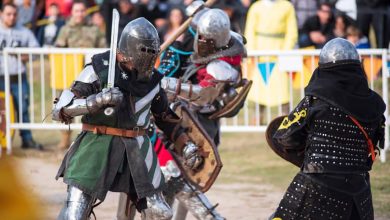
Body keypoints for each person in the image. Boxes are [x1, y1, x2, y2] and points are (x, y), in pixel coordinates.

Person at [53, 17, 204, 220]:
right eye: (145, 52)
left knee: (159, 213)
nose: (148, 58)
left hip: (136, 150)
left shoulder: (153, 82)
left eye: (152, 53)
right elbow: (61, 108)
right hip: (97, 146)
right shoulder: (99, 68)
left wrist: (185, 145)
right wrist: (96, 101)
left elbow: (165, 118)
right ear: (130, 48)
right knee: (75, 213)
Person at [267, 38, 385, 220]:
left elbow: (285, 137)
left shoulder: (315, 100)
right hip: (358, 188)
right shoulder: (375, 105)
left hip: (317, 184)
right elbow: (376, 144)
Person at [159, 8, 248, 219]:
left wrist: (166, 84)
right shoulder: (223, 42)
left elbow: (203, 95)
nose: (198, 40)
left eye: (202, 38)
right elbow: (202, 23)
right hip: (187, 118)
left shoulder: (221, 67)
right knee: (176, 175)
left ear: (213, 40)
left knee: (186, 176)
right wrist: (198, 10)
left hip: (200, 125)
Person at [54, 0, 106, 150]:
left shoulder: (94, 29)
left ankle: (91, 138)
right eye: (76, 11)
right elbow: (58, 48)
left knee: (93, 104)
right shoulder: (65, 29)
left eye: (82, 11)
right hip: (70, 73)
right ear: (72, 12)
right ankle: (65, 138)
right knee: (66, 104)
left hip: (90, 76)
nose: (80, 14)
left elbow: (103, 48)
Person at [244, 0, 298, 124]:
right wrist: (252, 51)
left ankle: (285, 117)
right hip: (260, 52)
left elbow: (291, 31)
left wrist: (285, 51)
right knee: (259, 87)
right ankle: (258, 116)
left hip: (279, 52)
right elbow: (249, 30)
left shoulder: (287, 6)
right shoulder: (255, 7)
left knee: (282, 87)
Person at [0, 3, 43, 150]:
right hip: (0, 78)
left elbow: (37, 52)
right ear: (1, 14)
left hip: (18, 76)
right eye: (8, 14)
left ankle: (27, 139)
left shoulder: (24, 31)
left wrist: (22, 56)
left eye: (14, 14)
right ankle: (3, 141)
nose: (12, 17)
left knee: (23, 107)